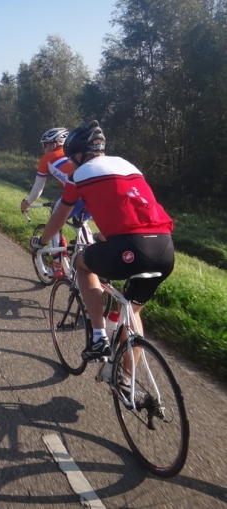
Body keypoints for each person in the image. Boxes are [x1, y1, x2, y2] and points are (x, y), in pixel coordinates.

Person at [30, 120, 174, 362]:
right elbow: (130, 209)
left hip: (130, 248)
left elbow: (58, 218)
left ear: (78, 154)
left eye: (71, 158)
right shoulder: (129, 166)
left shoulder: (79, 174)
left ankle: (98, 337)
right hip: (164, 248)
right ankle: (127, 382)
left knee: (80, 263)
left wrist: (41, 242)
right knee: (130, 312)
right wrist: (102, 236)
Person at [21, 127, 89, 279]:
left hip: (75, 194)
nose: (44, 148)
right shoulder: (76, 155)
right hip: (92, 194)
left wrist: (27, 202)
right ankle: (90, 257)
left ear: (54, 144)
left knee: (55, 222)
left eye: (45, 144)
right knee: (81, 224)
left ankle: (57, 266)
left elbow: (38, 189)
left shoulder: (47, 158)